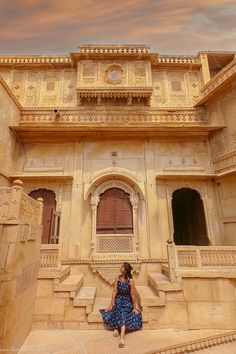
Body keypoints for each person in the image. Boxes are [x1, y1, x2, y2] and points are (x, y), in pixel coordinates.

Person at [99, 262, 142, 348]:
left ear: (125, 271)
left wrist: (135, 307)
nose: (120, 267)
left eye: (122, 267)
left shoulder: (131, 281)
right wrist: (111, 304)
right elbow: (115, 292)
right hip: (119, 299)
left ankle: (118, 332)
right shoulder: (117, 279)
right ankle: (121, 337)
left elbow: (133, 295)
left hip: (127, 301)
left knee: (123, 313)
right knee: (119, 311)